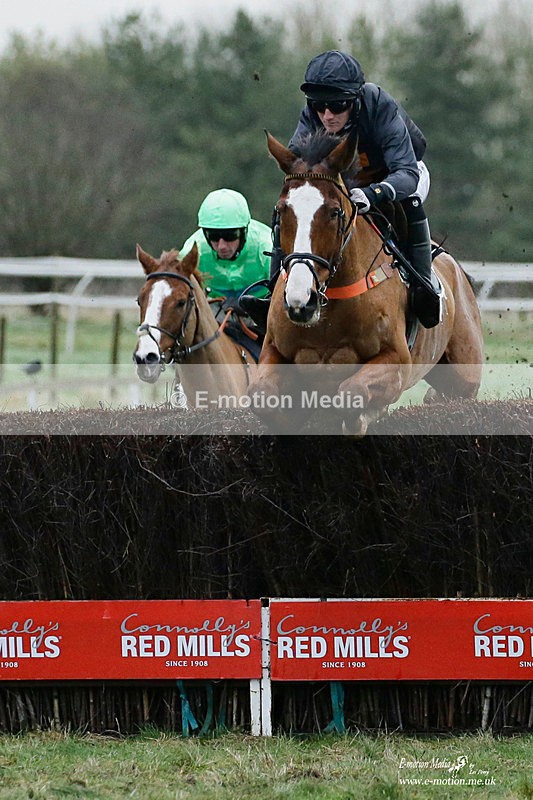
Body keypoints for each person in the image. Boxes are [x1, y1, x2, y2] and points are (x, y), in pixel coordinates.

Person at [240, 50, 442, 330]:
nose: (327, 115)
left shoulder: (379, 104)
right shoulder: (312, 114)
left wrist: (374, 195)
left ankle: (424, 287)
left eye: (337, 106)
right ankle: (274, 290)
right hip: (350, 182)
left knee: (410, 203)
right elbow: (299, 171)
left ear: (356, 99)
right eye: (320, 106)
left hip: (399, 174)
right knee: (292, 206)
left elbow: (406, 173)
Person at [180, 188, 271, 303]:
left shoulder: (266, 247)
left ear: (244, 232)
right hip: (214, 305)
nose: (221, 246)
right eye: (213, 236)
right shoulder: (191, 252)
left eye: (230, 235)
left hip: (263, 305)